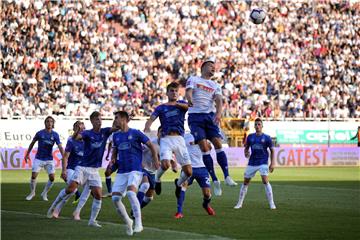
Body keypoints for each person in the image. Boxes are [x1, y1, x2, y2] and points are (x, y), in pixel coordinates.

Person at [47, 111, 118, 227]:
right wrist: (77, 131)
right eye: (96, 119)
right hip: (82, 168)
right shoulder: (87, 133)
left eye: (100, 119)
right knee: (71, 190)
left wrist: (121, 120)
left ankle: (92, 220)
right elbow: (76, 137)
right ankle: (54, 206)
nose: (99, 121)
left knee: (98, 195)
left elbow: (115, 128)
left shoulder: (105, 131)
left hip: (94, 170)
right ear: (92, 121)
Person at [185, 57, 237, 197]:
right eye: (211, 65)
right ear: (203, 67)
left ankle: (227, 176)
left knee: (218, 144)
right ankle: (215, 180)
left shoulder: (216, 85)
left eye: (215, 66)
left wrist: (219, 114)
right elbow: (188, 91)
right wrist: (189, 99)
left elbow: (219, 100)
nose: (214, 68)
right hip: (196, 117)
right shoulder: (194, 79)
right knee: (204, 147)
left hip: (210, 116)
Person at [111, 111, 160, 236]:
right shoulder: (116, 136)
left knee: (131, 193)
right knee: (116, 198)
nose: (115, 120)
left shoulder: (136, 133)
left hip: (135, 169)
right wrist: (113, 159)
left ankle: (139, 223)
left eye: (116, 118)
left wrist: (155, 159)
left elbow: (151, 146)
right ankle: (128, 221)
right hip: (122, 170)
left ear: (124, 119)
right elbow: (115, 150)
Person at [144, 82, 192, 196]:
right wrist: (147, 127)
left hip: (180, 139)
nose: (174, 93)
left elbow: (189, 106)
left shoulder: (181, 105)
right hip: (166, 139)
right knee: (165, 165)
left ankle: (178, 183)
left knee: (189, 172)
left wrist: (176, 104)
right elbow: (151, 118)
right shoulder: (161, 107)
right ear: (167, 93)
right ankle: (157, 179)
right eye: (172, 90)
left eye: (176, 91)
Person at [234, 118, 276, 210]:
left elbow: (272, 150)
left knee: (265, 180)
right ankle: (239, 203)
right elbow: (246, 147)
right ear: (254, 126)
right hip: (252, 162)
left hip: (263, 162)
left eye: (259, 124)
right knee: (246, 182)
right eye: (256, 124)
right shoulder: (250, 137)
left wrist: (272, 163)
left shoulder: (267, 138)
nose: (257, 126)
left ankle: (272, 203)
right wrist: (246, 152)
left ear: (262, 126)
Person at [174, 133, 216, 219]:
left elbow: (209, 148)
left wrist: (205, 144)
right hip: (188, 166)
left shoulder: (203, 136)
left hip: (202, 168)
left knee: (207, 194)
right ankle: (179, 212)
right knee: (183, 186)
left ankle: (206, 205)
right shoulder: (185, 136)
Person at [24, 116, 65, 201]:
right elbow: (32, 143)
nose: (49, 123)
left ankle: (45, 193)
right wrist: (27, 154)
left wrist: (64, 156)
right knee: (34, 175)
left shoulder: (55, 134)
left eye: (51, 121)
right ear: (45, 123)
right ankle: (32, 192)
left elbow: (60, 147)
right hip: (39, 158)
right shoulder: (39, 133)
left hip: (49, 159)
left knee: (52, 178)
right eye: (47, 121)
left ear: (53, 123)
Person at [58, 120, 91, 220]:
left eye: (83, 128)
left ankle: (77, 212)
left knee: (89, 188)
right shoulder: (71, 140)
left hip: (84, 169)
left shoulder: (87, 141)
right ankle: (57, 208)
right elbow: (65, 156)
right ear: (74, 129)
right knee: (71, 190)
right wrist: (64, 171)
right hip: (72, 169)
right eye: (78, 128)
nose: (81, 130)